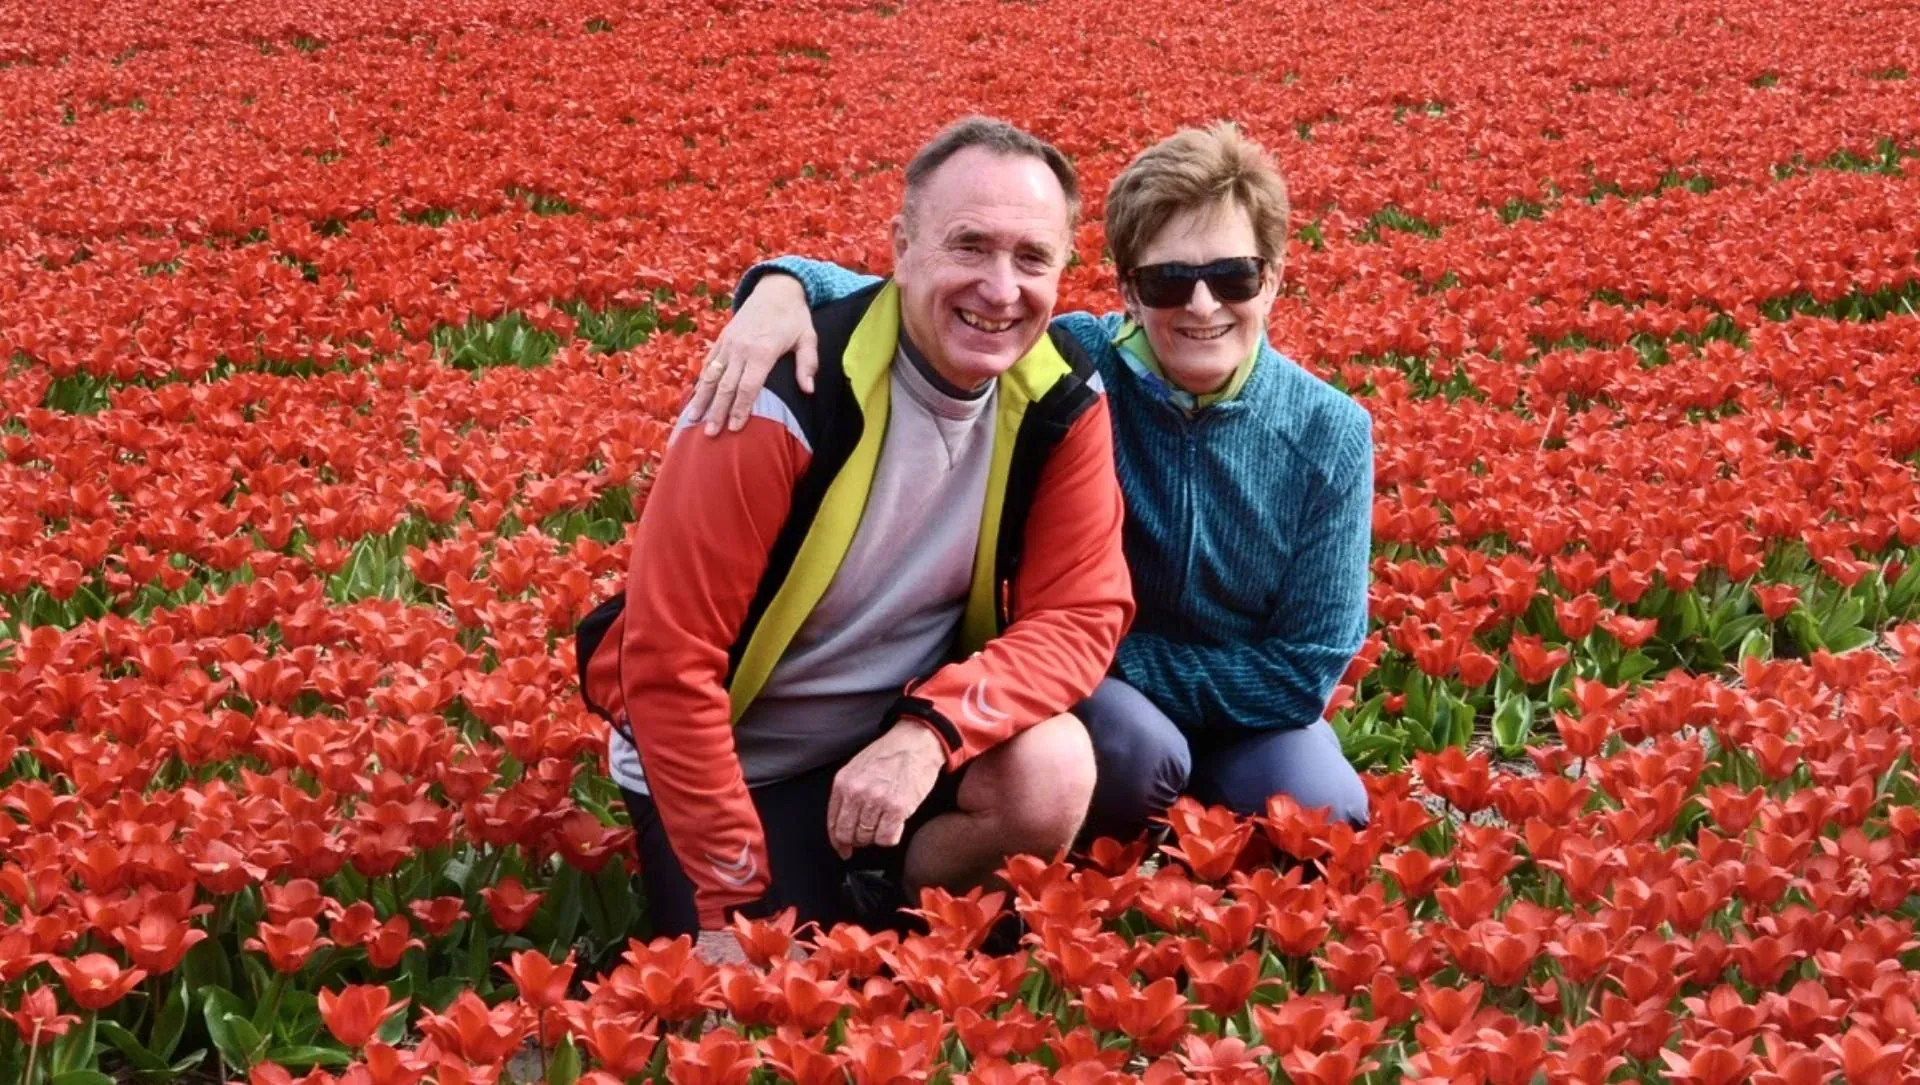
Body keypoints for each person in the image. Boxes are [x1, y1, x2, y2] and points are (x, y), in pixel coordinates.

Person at [695, 122, 1372, 844]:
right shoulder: (1074, 363)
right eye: (1167, 280)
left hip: (1212, 699)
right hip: (1103, 705)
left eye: (1232, 276)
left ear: (1272, 277)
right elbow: (930, 299)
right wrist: (785, 285)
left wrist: (1113, 656)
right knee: (1138, 752)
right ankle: (1102, 864)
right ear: (1129, 291)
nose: (1203, 306)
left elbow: (1302, 673)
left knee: (1322, 806)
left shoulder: (1330, 432)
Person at [577, 117, 1131, 962]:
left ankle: (898, 903)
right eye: (968, 245)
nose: (999, 287)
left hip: (885, 739)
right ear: (901, 248)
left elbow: (1081, 614)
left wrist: (929, 731)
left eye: (1031, 258)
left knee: (1052, 766)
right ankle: (801, 897)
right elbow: (667, 660)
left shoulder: (1060, 398)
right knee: (755, 1001)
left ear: (1064, 271)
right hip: (737, 758)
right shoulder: (774, 394)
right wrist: (730, 892)